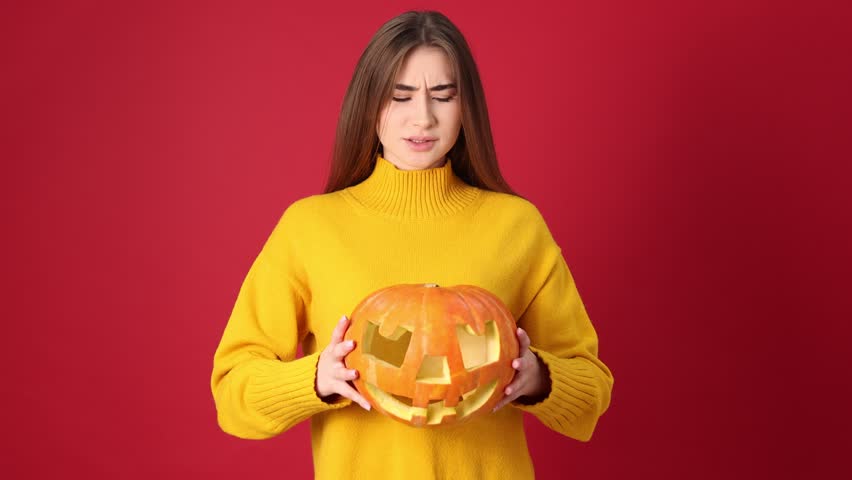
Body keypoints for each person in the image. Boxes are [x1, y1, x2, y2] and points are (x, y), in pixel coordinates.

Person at [210, 10, 614, 480]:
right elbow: (232, 394)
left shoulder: (517, 225)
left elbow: (592, 388)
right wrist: (316, 378)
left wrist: (537, 376)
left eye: (443, 96)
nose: (423, 118)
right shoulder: (309, 227)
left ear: (466, 107)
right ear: (368, 105)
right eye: (399, 96)